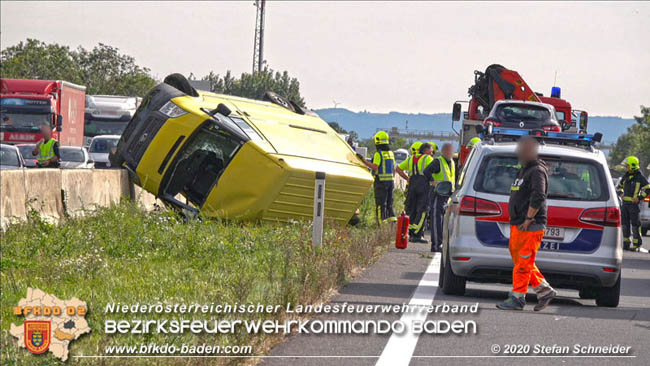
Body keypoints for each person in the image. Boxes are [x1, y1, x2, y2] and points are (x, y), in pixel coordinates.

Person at [497, 136, 556, 311]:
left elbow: (539, 195)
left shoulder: (537, 170)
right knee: (522, 261)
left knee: (523, 262)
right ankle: (544, 290)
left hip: (531, 224)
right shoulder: (524, 170)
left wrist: (529, 218)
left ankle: (517, 298)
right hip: (518, 223)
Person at [424, 143, 455, 252]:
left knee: (444, 221)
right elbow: (426, 171)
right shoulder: (438, 161)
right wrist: (433, 182)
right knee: (437, 219)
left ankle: (441, 244)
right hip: (438, 193)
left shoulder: (451, 162)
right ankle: (436, 245)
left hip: (447, 194)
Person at [361, 131, 397, 224]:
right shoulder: (391, 153)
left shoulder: (378, 154)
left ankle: (381, 223)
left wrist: (364, 162)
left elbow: (375, 167)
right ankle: (392, 223)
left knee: (381, 204)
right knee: (389, 203)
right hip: (390, 182)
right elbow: (394, 168)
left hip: (381, 182)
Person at [616, 156, 650, 251]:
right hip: (625, 205)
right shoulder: (625, 176)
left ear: (633, 166)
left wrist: (639, 197)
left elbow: (648, 188)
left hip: (633, 206)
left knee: (635, 224)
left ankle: (636, 244)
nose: (626, 167)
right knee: (625, 224)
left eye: (627, 166)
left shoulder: (639, 177)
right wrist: (621, 193)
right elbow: (618, 187)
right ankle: (626, 243)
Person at [404, 143, 434, 243]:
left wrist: (407, 178)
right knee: (423, 209)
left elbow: (398, 169)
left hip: (412, 184)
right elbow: (433, 172)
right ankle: (416, 234)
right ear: (425, 151)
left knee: (412, 209)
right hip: (423, 185)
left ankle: (410, 232)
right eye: (431, 150)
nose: (432, 153)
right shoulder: (428, 158)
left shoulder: (411, 158)